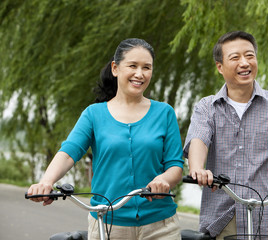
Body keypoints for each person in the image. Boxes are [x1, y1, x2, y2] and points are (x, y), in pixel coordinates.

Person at [27, 38, 184, 240]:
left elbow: (175, 167)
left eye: (147, 67)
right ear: (115, 68)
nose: (140, 74)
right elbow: (69, 153)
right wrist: (46, 182)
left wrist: (163, 179)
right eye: (133, 66)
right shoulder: (94, 114)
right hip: (107, 223)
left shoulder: (164, 113)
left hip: (161, 225)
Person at [183, 31, 268, 239]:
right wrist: (197, 169)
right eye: (235, 58)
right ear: (220, 67)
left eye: (250, 55)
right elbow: (198, 140)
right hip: (223, 219)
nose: (244, 63)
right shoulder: (207, 107)